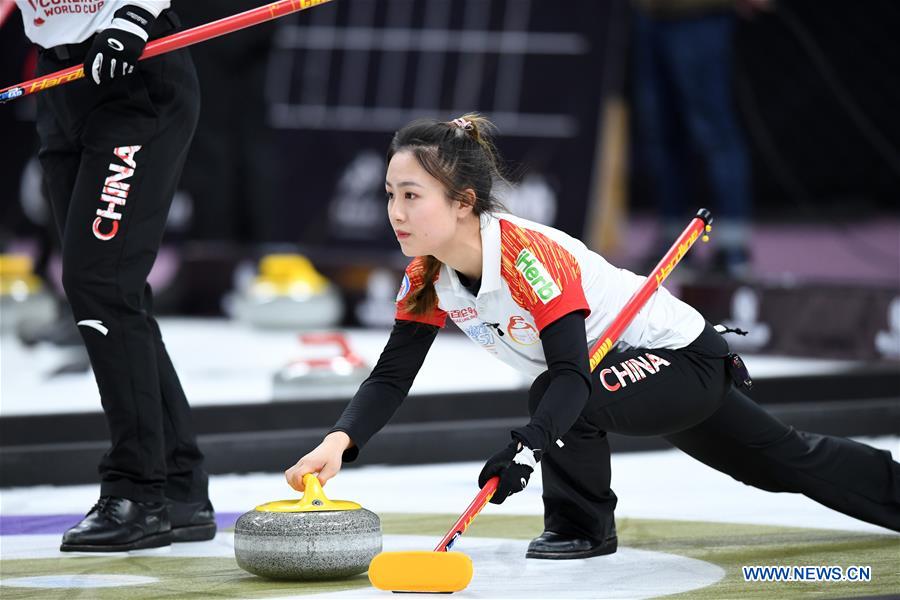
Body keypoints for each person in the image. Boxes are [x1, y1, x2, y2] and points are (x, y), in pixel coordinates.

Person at [286, 114, 900, 559]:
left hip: (680, 361)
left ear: (463, 202)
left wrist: (525, 447)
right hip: (632, 376)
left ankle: (581, 527)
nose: (395, 211)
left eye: (411, 196)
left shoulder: (528, 260)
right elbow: (392, 375)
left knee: (560, 396)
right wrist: (341, 440)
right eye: (390, 194)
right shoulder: (426, 277)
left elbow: (573, 377)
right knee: (779, 461)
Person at [15, 0, 215, 551]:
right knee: (109, 290)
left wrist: (133, 16)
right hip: (60, 81)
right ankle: (179, 487)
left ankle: (138, 493)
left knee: (100, 285)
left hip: (133, 67)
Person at [631, 0, 770, 277]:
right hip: (651, 15)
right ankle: (675, 245)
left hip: (701, 15)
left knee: (714, 133)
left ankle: (733, 248)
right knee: (661, 135)